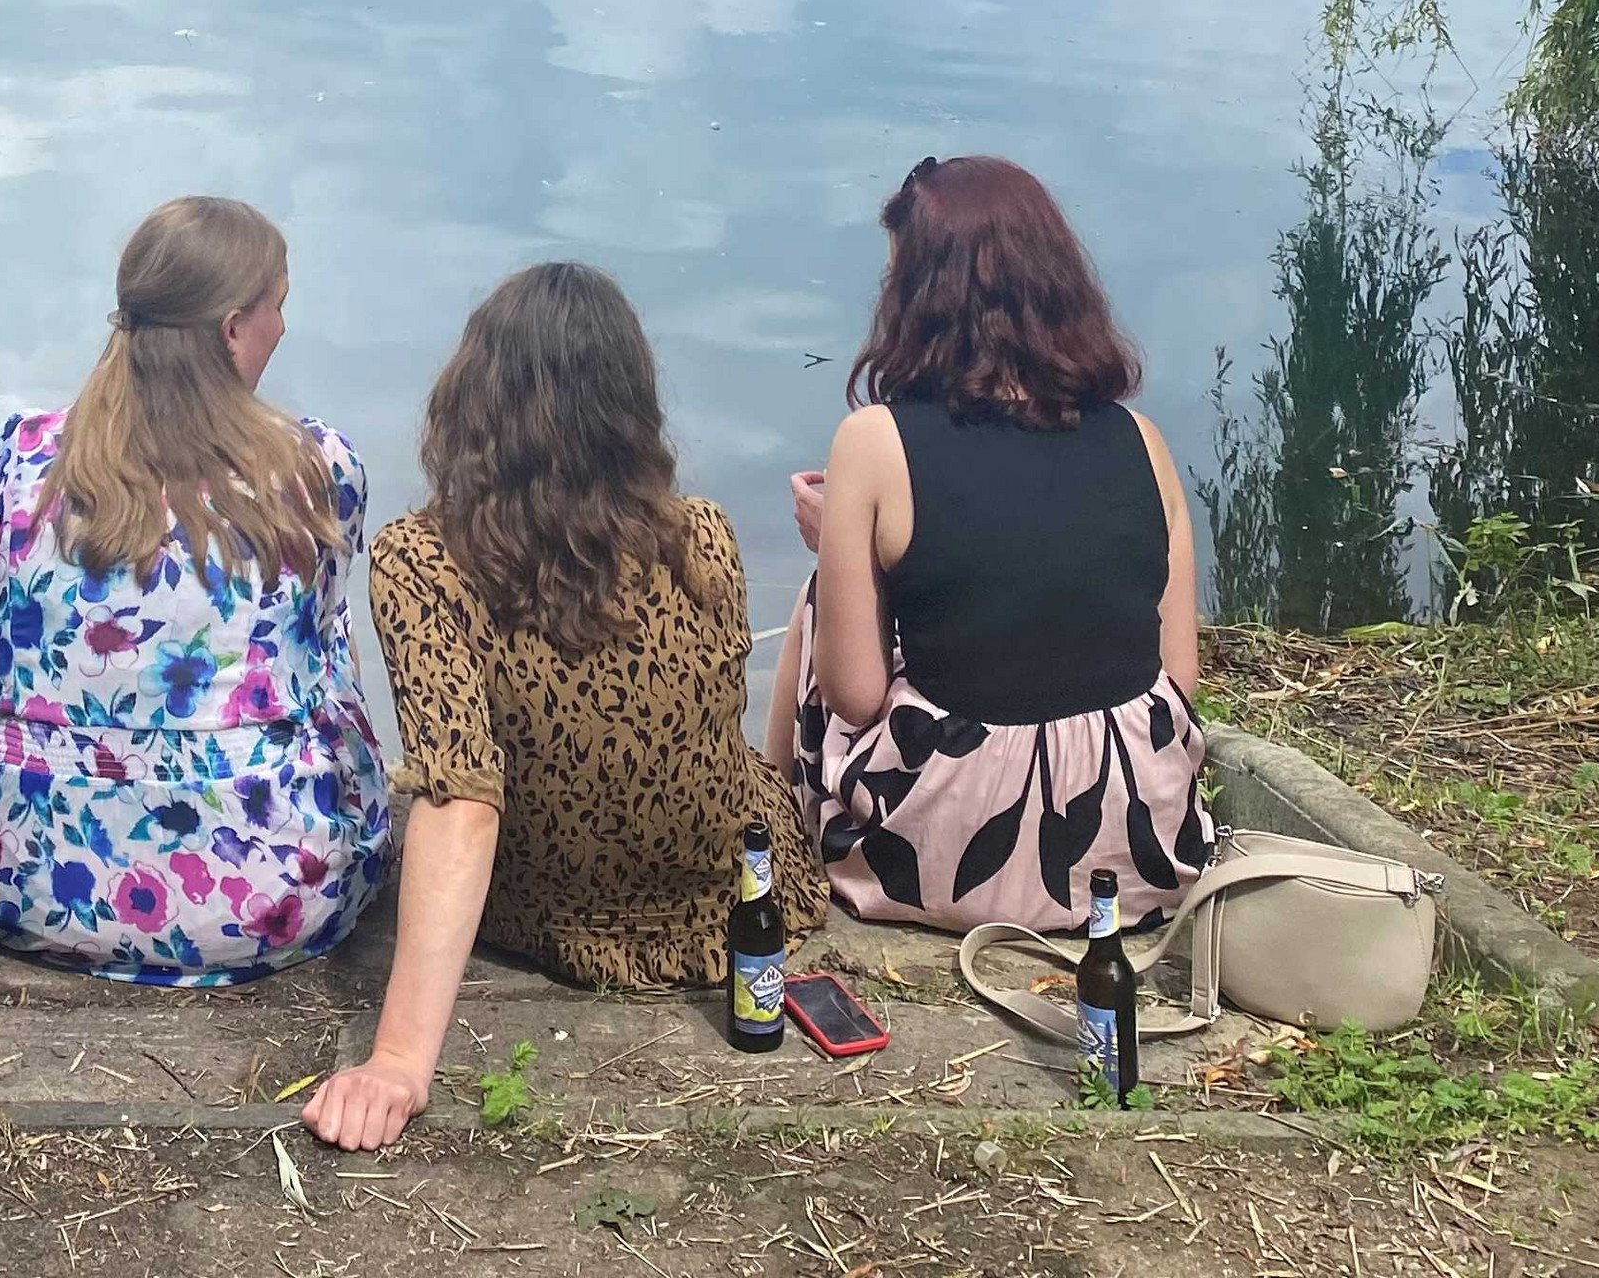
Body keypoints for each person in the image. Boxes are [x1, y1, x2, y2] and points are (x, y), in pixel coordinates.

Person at [308, 264, 825, 1151]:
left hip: (546, 912)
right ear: (633, 404)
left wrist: (398, 1058)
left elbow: (460, 798)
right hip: (728, 896)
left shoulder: (420, 561)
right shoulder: (702, 532)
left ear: (468, 401)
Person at [0, 197, 387, 984]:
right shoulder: (317, 468)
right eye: (278, 306)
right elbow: (321, 660)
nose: (283, 327)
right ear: (232, 329)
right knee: (325, 632)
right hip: (266, 895)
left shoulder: (20, 458)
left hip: (20, 880)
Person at [768, 155, 1212, 935]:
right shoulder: (1142, 441)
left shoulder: (875, 442)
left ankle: (767, 829)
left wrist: (839, 550)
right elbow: (1176, 678)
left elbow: (857, 698)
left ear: (921, 294)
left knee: (814, 611)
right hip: (1132, 847)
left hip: (943, 856)